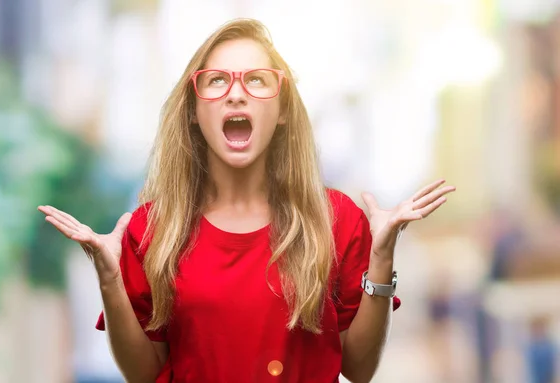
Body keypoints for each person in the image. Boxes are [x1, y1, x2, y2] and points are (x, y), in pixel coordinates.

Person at [38, 18, 455, 383]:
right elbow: (144, 373)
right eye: (217, 80)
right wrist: (110, 282)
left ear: (284, 109)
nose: (236, 94)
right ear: (193, 111)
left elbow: (358, 370)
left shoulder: (337, 220)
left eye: (256, 79)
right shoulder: (152, 230)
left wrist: (382, 256)